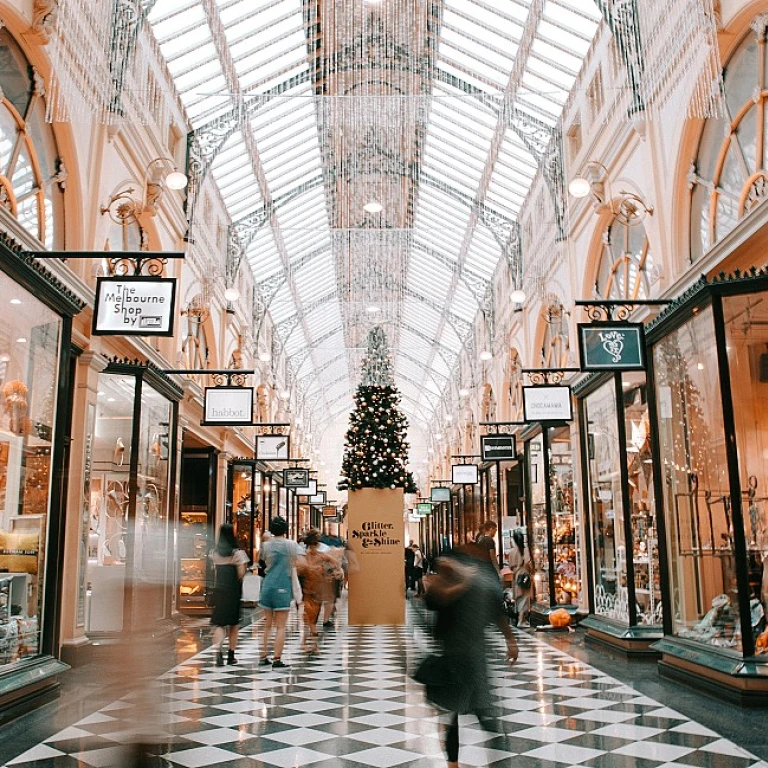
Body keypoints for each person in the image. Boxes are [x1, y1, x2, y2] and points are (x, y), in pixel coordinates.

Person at [420, 544, 518, 768]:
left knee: (480, 715)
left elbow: (496, 611)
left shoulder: (473, 585)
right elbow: (435, 600)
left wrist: (510, 640)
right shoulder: (447, 586)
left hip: (471, 659)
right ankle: (453, 763)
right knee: (456, 716)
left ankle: (482, 763)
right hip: (454, 659)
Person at [258, 516, 300, 668]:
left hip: (267, 586)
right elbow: (296, 562)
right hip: (283, 586)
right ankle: (277, 659)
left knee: (267, 625)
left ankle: (263, 656)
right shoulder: (292, 545)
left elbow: (261, 562)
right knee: (281, 626)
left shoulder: (265, 546)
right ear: (285, 529)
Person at [296, 529, 342, 653]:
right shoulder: (320, 556)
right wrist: (331, 573)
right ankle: (312, 644)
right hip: (316, 590)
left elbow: (297, 570)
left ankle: (309, 643)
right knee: (312, 617)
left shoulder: (303, 557)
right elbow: (335, 562)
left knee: (309, 617)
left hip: (308, 590)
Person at [209, 524, 249, 667]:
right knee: (233, 624)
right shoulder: (238, 554)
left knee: (220, 623)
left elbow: (213, 570)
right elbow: (241, 573)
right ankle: (231, 655)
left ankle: (218, 650)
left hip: (220, 591)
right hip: (233, 592)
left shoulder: (214, 553)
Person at [508, 527, 534, 628]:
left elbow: (510, 566)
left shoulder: (512, 552)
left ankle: (520, 618)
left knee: (518, 596)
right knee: (525, 596)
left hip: (516, 575)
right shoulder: (525, 550)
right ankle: (521, 620)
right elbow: (528, 563)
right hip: (524, 574)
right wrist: (532, 571)